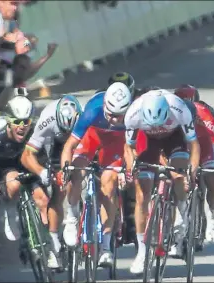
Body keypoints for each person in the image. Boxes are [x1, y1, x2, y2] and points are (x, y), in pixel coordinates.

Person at [123, 89, 200, 274]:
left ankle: (182, 212)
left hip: (175, 139)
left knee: (179, 173)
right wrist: (131, 166)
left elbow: (194, 144)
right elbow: (128, 146)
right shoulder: (133, 114)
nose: (158, 130)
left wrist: (192, 168)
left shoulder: (179, 109)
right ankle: (142, 252)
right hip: (148, 142)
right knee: (142, 194)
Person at [60, 82, 132, 268]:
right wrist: (65, 170)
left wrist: (127, 171)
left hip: (115, 143)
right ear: (105, 106)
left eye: (119, 115)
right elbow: (69, 146)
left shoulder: (132, 115)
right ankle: (72, 216)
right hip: (92, 137)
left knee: (109, 187)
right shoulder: (93, 110)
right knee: (76, 173)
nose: (115, 120)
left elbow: (130, 148)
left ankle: (106, 247)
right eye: (111, 115)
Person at [20, 95, 82, 268]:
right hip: (52, 145)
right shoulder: (47, 120)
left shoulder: (83, 119)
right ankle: (54, 240)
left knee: (76, 175)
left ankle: (74, 215)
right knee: (59, 188)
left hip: (77, 143)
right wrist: (42, 172)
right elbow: (27, 155)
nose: (66, 133)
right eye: (64, 130)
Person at [174, 84, 214, 247]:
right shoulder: (171, 115)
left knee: (212, 179)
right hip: (183, 146)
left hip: (205, 145)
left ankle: (212, 216)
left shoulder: (205, 116)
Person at [0, 96, 34, 242]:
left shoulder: (33, 130)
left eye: (26, 122)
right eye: (17, 122)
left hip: (25, 161)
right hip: (4, 167)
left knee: (43, 198)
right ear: (8, 122)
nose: (22, 126)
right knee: (14, 183)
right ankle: (10, 210)